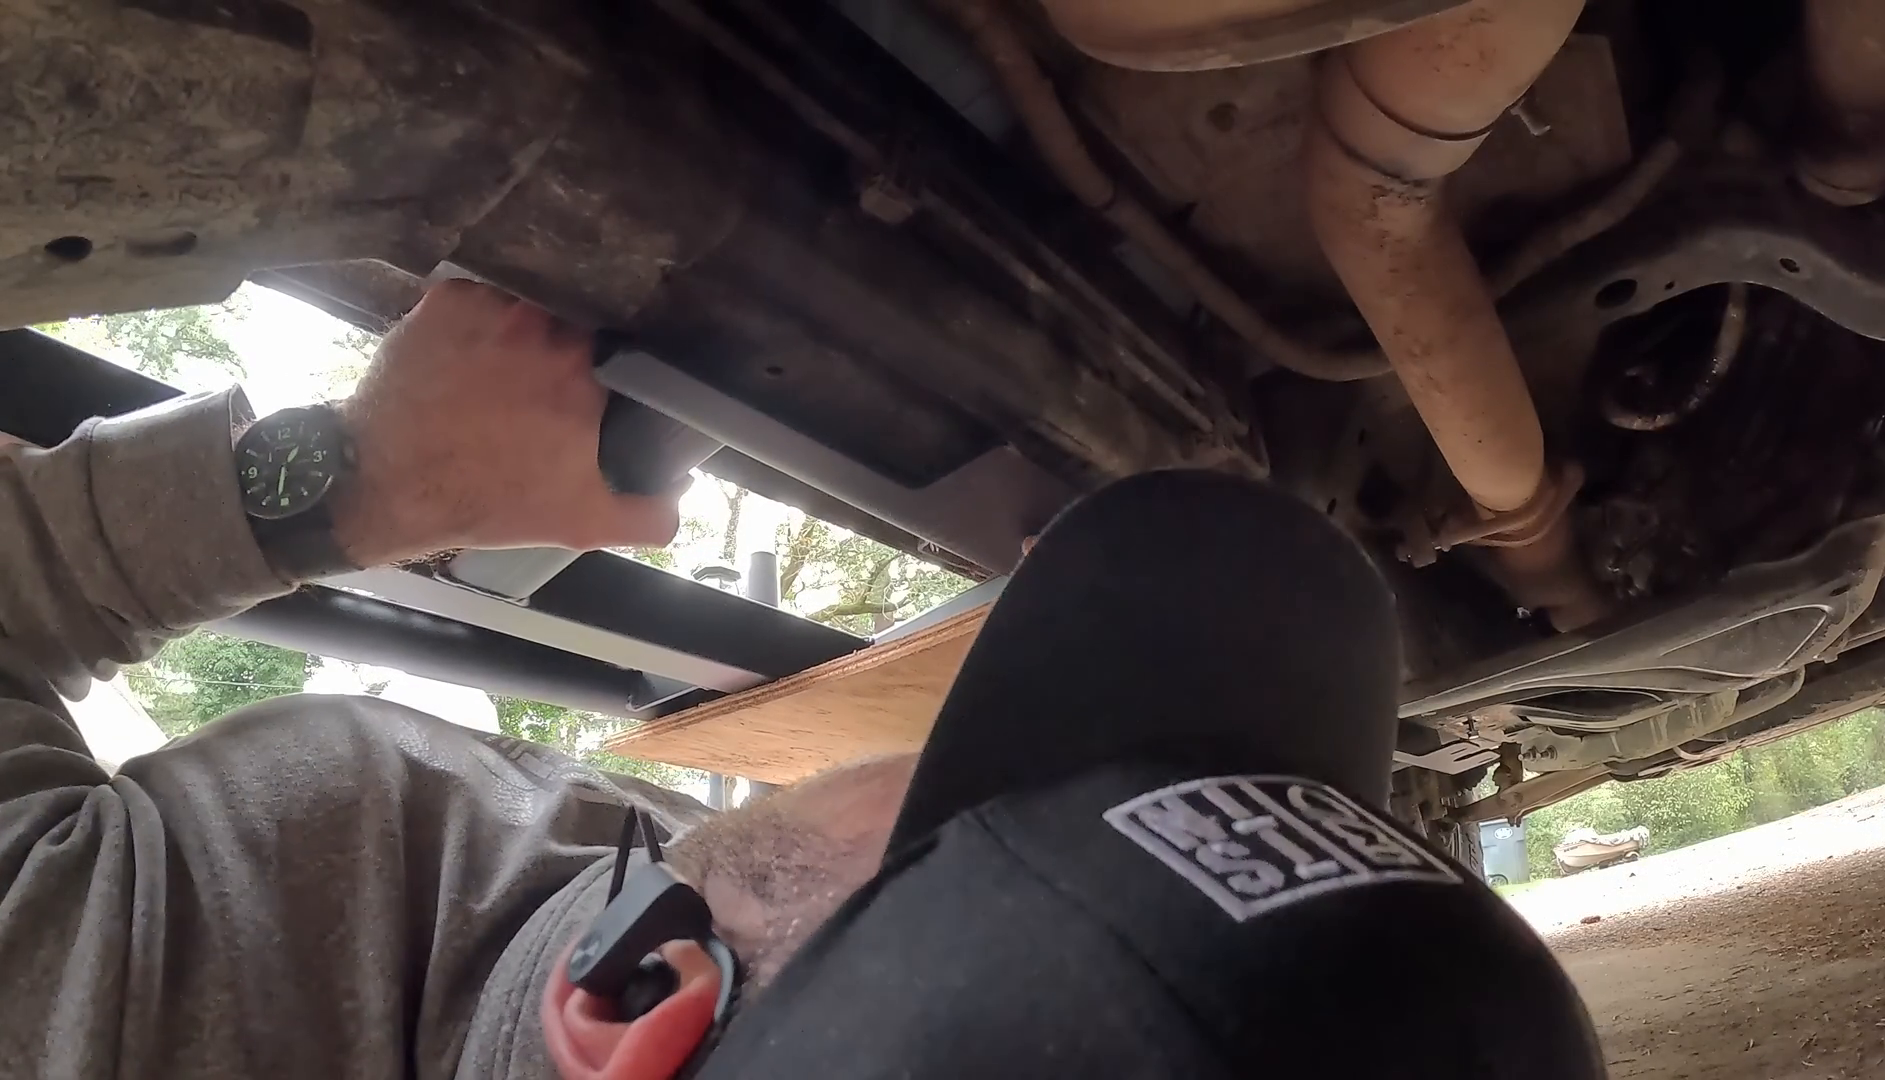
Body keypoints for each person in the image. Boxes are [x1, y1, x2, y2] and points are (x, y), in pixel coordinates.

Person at [1, 281, 1604, 1078]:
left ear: (635, 1005)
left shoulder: (97, 1003)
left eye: (996, 814)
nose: (998, 743)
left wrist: (353, 482)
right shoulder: (694, 989)